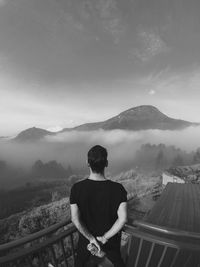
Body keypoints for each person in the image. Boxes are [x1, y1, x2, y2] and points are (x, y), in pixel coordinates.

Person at [70, 145, 127, 267]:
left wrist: (91, 238)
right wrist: (105, 238)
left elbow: (75, 219)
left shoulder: (76, 189)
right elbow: (123, 219)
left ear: (87, 163)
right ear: (106, 163)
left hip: (86, 247)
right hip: (111, 248)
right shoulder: (118, 189)